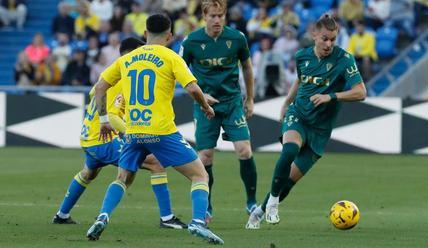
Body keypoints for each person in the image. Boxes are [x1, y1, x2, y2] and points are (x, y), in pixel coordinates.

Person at [86, 14, 224, 245]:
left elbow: (100, 87)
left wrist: (103, 120)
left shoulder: (127, 59)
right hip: (161, 131)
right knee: (200, 174)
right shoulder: (170, 56)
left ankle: (103, 216)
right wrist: (205, 106)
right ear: (170, 35)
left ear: (145, 33)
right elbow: (191, 88)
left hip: (134, 131)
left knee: (123, 177)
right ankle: (198, 223)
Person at [246, 14, 367, 229]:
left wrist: (331, 96)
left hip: (320, 130)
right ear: (314, 35)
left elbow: (360, 92)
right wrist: (286, 102)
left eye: (333, 39)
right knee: (290, 150)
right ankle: (272, 203)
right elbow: (301, 81)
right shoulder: (302, 56)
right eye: (324, 39)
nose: (329, 44)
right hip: (299, 114)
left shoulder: (344, 59)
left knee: (289, 182)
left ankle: (259, 211)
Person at [53, 37, 187, 230]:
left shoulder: (109, 75)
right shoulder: (124, 77)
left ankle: (62, 214)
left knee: (88, 173)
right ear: (129, 54)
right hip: (104, 138)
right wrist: (132, 133)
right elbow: (114, 116)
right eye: (140, 53)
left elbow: (95, 94)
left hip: (88, 137)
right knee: (156, 163)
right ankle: (167, 218)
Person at [179, 0, 257, 222]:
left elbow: (247, 67)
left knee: (244, 150)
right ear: (204, 16)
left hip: (232, 102)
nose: (217, 20)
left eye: (220, 16)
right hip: (205, 106)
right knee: (205, 155)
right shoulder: (191, 42)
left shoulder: (237, 38)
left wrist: (250, 98)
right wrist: (201, 96)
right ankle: (207, 207)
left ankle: (251, 203)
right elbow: (179, 75)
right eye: (212, 16)